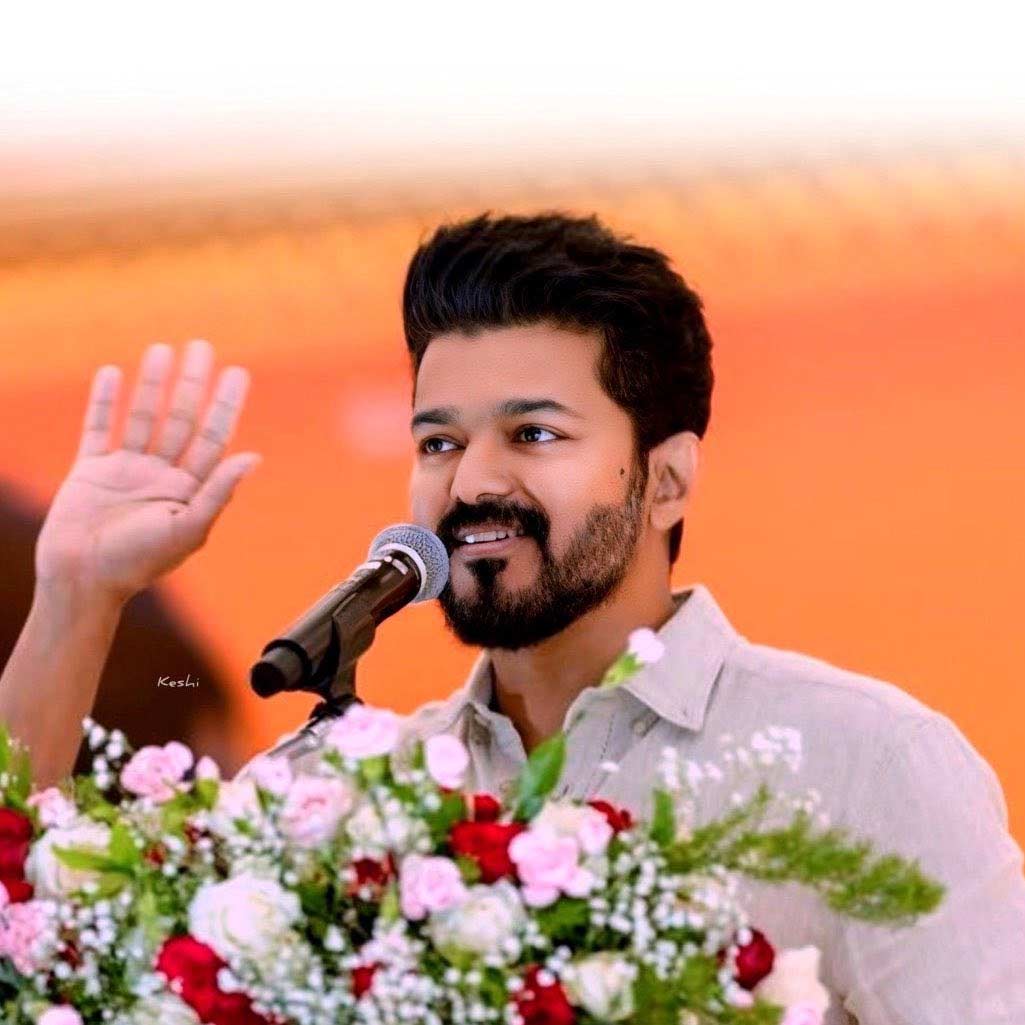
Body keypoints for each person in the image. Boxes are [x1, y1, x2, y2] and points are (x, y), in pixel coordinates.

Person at [1, 212, 1023, 1021]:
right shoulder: (339, 798)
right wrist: (76, 596)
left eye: (532, 433)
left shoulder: (864, 762)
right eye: (438, 442)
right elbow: (33, 928)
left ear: (666, 479)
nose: (472, 481)